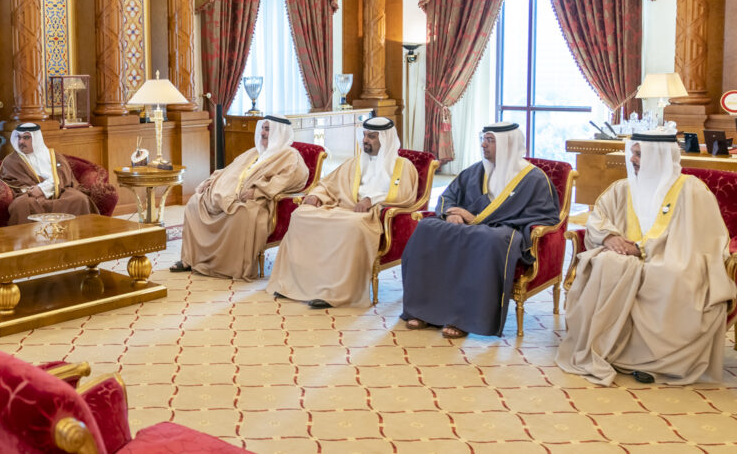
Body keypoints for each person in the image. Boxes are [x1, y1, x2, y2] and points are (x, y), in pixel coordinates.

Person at [556, 130, 735, 385]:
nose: (633, 159)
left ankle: (658, 361)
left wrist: (642, 249)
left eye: (639, 154)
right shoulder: (623, 188)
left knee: (672, 278)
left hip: (675, 259)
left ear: (657, 156)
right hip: (626, 258)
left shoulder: (691, 191)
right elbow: (598, 218)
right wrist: (609, 238)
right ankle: (608, 350)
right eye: (633, 153)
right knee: (607, 263)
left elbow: (702, 240)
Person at [400, 122, 560, 338]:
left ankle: (463, 319)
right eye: (483, 139)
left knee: (488, 238)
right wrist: (451, 213)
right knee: (426, 227)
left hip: (503, 231)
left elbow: (545, 216)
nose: (483, 145)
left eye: (490, 141)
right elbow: (449, 196)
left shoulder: (534, 179)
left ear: (507, 144)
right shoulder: (476, 170)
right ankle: (424, 311)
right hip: (466, 227)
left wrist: (476, 219)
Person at [266, 116, 417, 308]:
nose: (365, 140)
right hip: (342, 208)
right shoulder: (356, 162)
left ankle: (334, 292)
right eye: (365, 135)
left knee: (351, 225)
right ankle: (291, 284)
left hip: (369, 217)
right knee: (301, 214)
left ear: (385, 139)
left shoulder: (402, 166)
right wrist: (316, 195)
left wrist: (371, 200)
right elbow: (328, 183)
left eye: (371, 137)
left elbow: (405, 195)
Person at [172, 115, 308, 280]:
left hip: (258, 201)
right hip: (228, 195)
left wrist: (257, 192)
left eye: (267, 129)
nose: (262, 133)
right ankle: (190, 259)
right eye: (262, 128)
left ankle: (226, 266)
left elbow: (293, 179)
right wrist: (211, 181)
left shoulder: (290, 156)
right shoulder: (255, 152)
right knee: (195, 203)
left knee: (242, 213)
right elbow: (229, 169)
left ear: (279, 132)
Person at [0, 123, 92, 224]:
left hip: (59, 190)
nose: (21, 141)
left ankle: (76, 234)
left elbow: (64, 176)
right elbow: (13, 182)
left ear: (36, 139)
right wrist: (33, 190)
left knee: (79, 199)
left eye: (26, 137)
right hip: (32, 196)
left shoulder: (54, 155)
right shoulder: (11, 161)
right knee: (21, 205)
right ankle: (32, 234)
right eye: (19, 137)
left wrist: (43, 189)